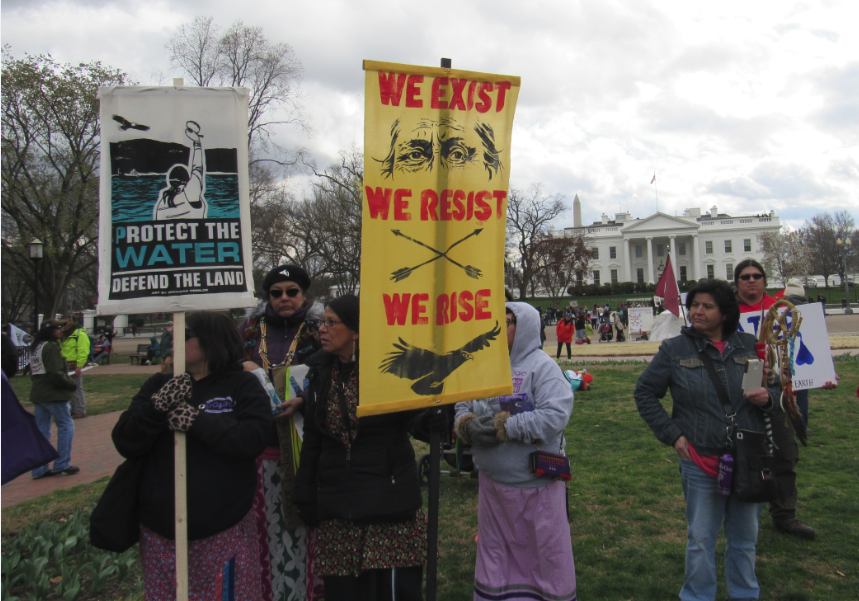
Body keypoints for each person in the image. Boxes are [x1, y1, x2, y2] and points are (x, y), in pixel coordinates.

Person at [635, 279, 779, 601]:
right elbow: (644, 393)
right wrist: (673, 435)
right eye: (694, 305)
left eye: (706, 306)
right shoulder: (675, 349)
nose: (697, 312)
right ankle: (698, 596)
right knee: (700, 540)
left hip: (747, 458)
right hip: (700, 460)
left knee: (745, 539)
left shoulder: (748, 346)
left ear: (725, 313)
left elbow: (769, 390)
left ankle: (744, 594)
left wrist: (767, 398)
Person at [112, 311, 272, 600]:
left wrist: (197, 421)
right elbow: (125, 441)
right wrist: (155, 409)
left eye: (183, 335)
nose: (173, 340)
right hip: (163, 533)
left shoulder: (242, 385)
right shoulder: (158, 385)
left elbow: (253, 439)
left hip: (224, 530)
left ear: (211, 341)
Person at [293, 295, 435, 600]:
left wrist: (437, 414)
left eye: (332, 323)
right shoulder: (321, 372)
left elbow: (416, 419)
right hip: (338, 510)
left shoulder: (388, 369)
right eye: (322, 322)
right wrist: (305, 493)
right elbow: (315, 438)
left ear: (357, 331)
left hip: (389, 507)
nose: (323, 330)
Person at [455, 302, 576, 601]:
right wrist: (466, 425)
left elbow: (556, 413)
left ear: (524, 327)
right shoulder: (481, 364)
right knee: (495, 557)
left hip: (535, 491)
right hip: (493, 489)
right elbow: (462, 403)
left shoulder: (542, 367)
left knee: (544, 557)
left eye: (506, 321)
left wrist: (506, 427)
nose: (498, 327)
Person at [238, 264, 323, 601]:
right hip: (259, 443)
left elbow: (335, 367)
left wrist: (303, 399)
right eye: (276, 293)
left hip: (306, 438)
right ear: (267, 296)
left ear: (304, 294)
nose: (284, 298)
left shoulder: (320, 328)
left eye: (292, 291)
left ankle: (308, 590)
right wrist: (241, 366)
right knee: (263, 527)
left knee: (304, 522)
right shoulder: (247, 330)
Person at [734, 260, 815, 539]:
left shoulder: (780, 309)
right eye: (745, 277)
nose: (752, 281)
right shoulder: (727, 312)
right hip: (742, 392)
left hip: (778, 392)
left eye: (757, 276)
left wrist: (818, 377)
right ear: (737, 283)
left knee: (784, 453)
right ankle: (743, 512)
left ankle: (785, 514)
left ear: (764, 280)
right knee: (745, 454)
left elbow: (804, 345)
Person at [29, 320, 80, 479]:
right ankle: (62, 463)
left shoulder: (37, 347)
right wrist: (70, 384)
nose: (60, 331)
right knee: (66, 425)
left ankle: (39, 469)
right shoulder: (51, 347)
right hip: (54, 394)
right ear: (49, 331)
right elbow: (55, 373)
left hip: (39, 393)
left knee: (42, 431)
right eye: (57, 328)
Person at [153, 120, 208, 220]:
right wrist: (197, 143)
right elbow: (197, 168)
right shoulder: (191, 193)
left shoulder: (163, 201)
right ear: (187, 181)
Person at [59, 319, 90, 419]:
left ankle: (80, 410)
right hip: (64, 365)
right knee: (68, 389)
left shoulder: (80, 335)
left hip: (74, 365)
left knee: (76, 388)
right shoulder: (62, 337)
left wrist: (79, 365)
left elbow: (83, 351)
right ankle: (73, 409)